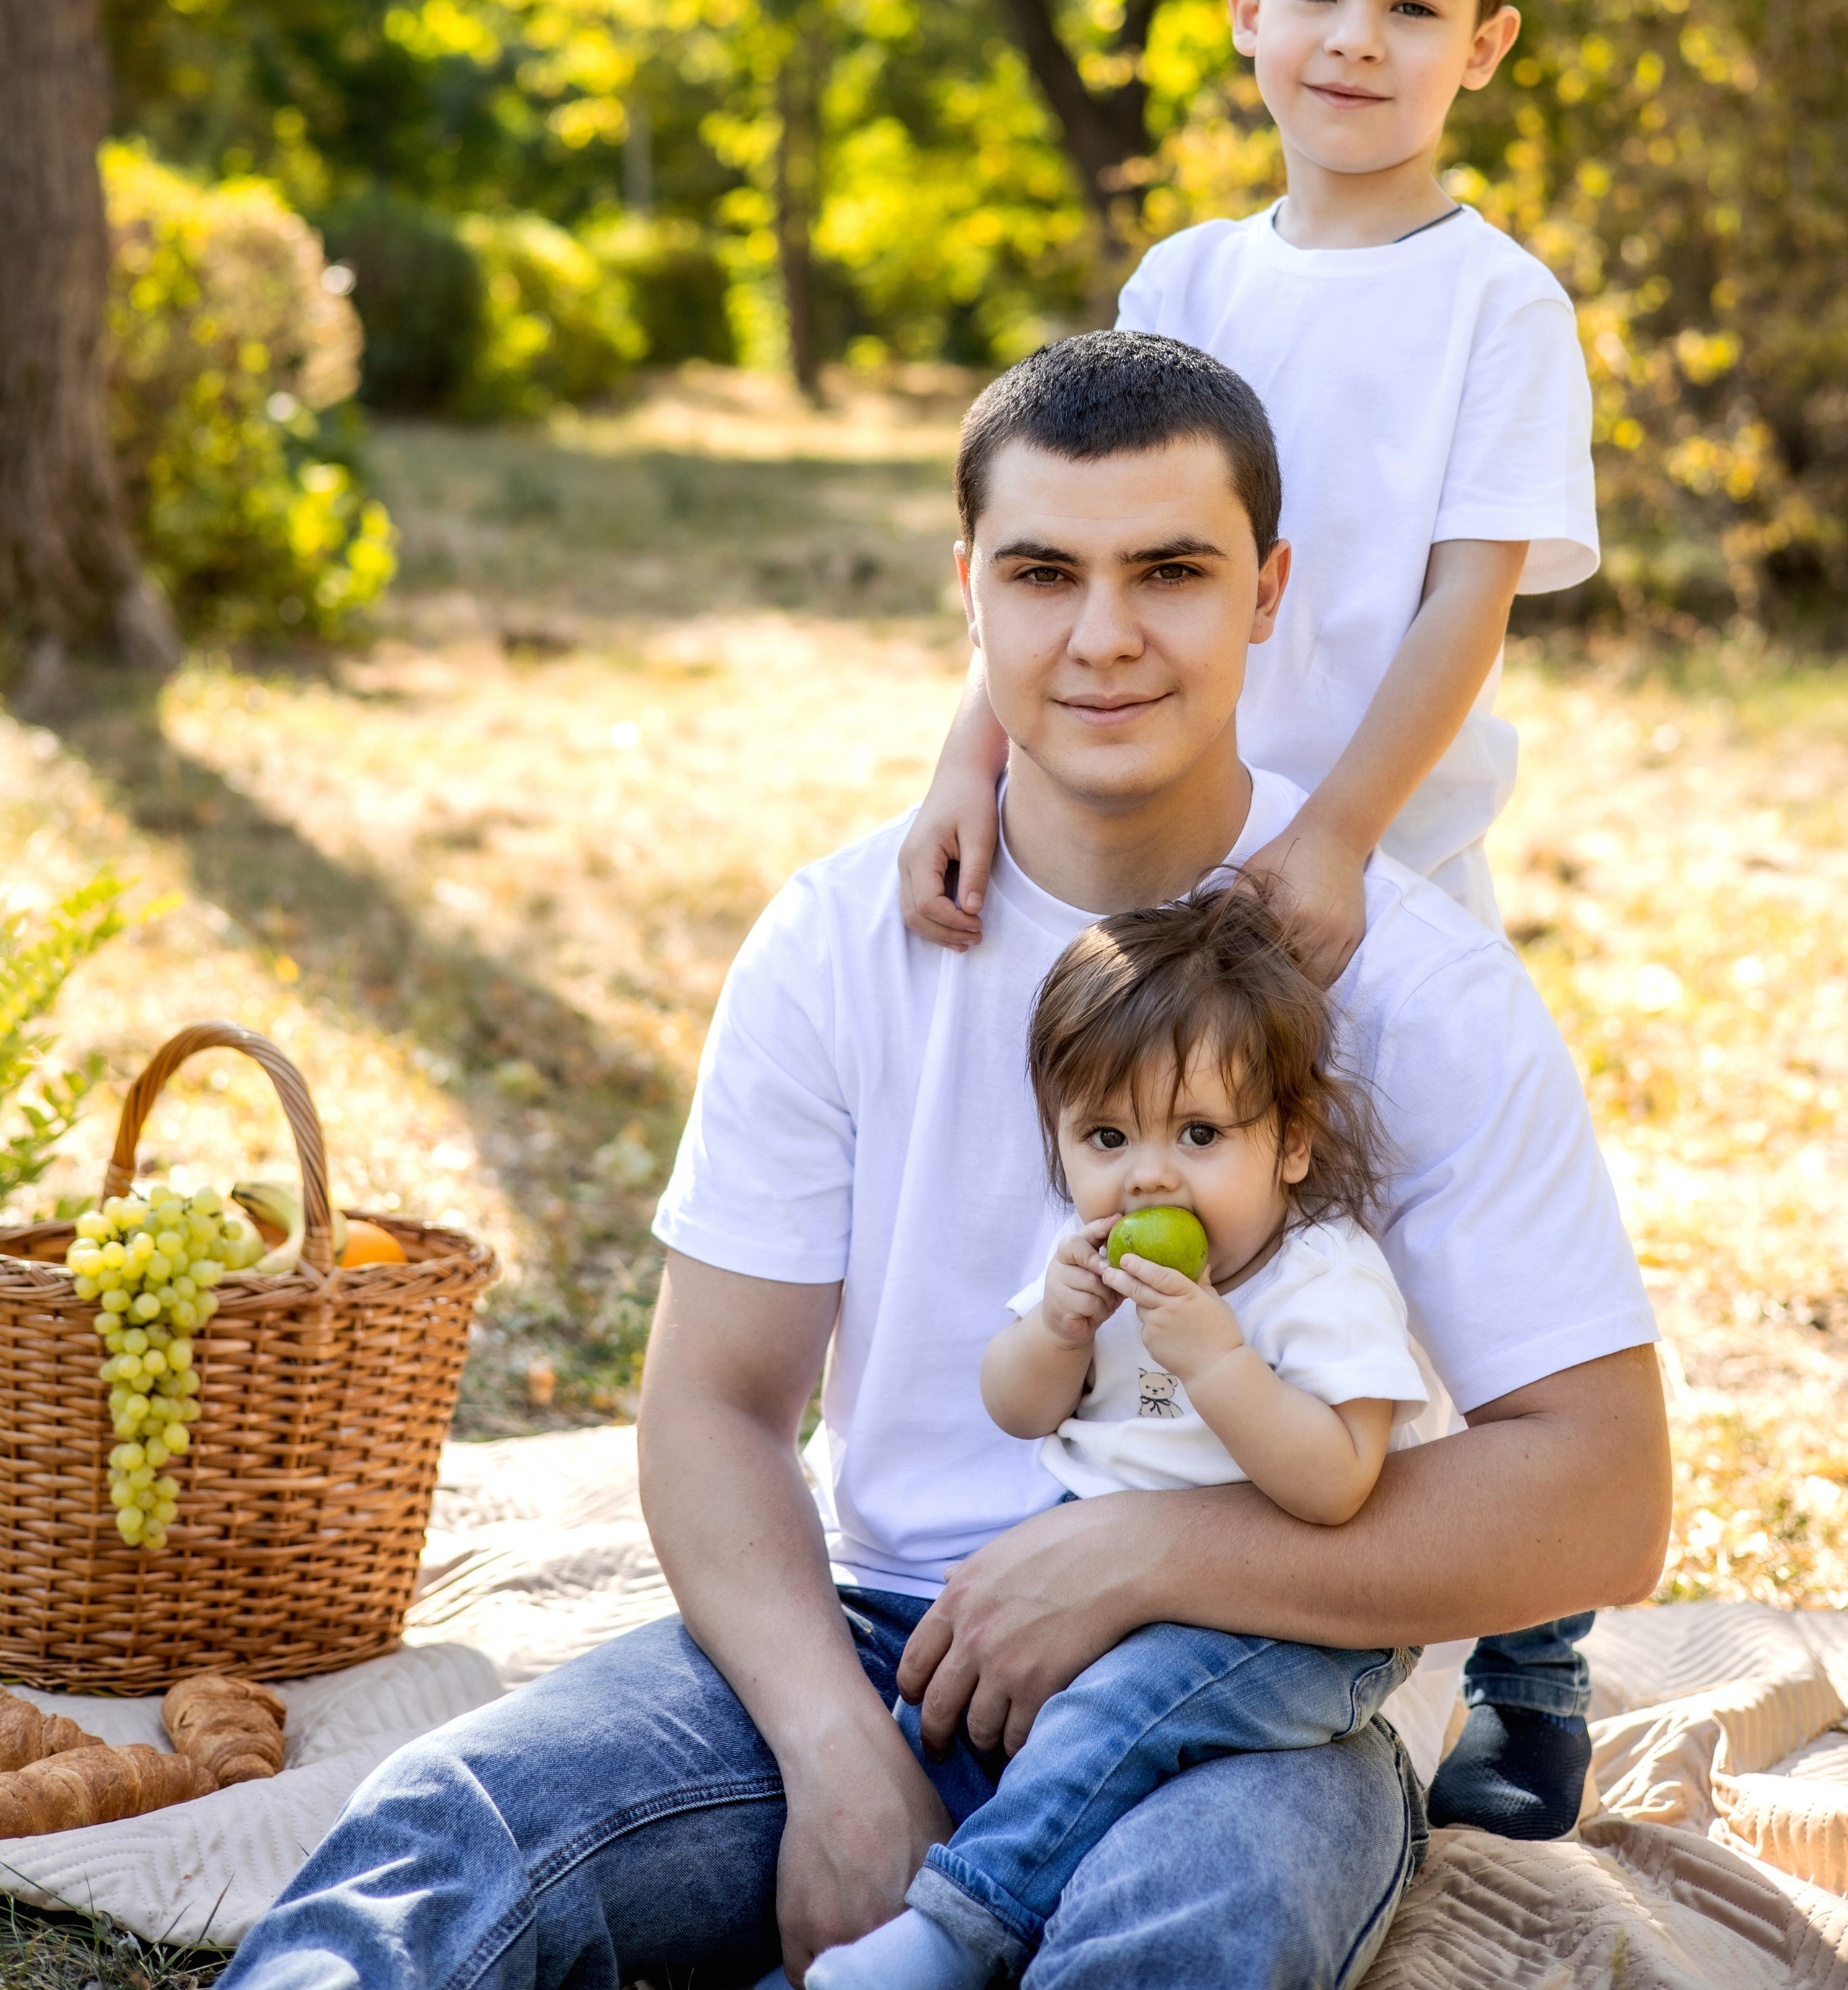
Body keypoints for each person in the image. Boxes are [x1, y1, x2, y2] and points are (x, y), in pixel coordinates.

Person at [219, 333, 1668, 1990]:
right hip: (865, 1642)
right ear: (965, 595)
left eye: (1171, 573)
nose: (1104, 634)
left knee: (1196, 1933)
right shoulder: (840, 939)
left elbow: (1604, 1498)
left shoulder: (1412, 982)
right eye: (1042, 573)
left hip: (1247, 1691)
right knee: (451, 1829)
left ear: (1266, 591)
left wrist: (1151, 1551)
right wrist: (834, 1748)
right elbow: (713, 1404)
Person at [899, 0, 1604, 1836]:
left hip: (1370, 859)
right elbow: (1089, 544)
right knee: (1176, 1181)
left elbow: (1469, 592)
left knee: (1402, 1212)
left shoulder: (1497, 305)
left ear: (1482, 46)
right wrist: (974, 756)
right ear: (1245, 10)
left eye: (1413, 4)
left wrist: (1351, 832)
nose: (1356, 40)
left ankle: (1528, 1658)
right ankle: (1138, 1515)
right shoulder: (1191, 268)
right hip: (1162, 836)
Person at [808, 882, 1429, 1990]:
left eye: (1199, 1134)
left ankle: (957, 1929)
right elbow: (1018, 1407)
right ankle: (873, 1919)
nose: (1148, 1173)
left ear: (1291, 1141)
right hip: (1089, 1561)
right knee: (943, 1700)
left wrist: (1218, 1364)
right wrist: (1054, 1329)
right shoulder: (1089, 1262)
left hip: (1290, 1617)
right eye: (1107, 1136)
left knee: (1113, 1714)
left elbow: (1338, 1481)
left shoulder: (1320, 1279)